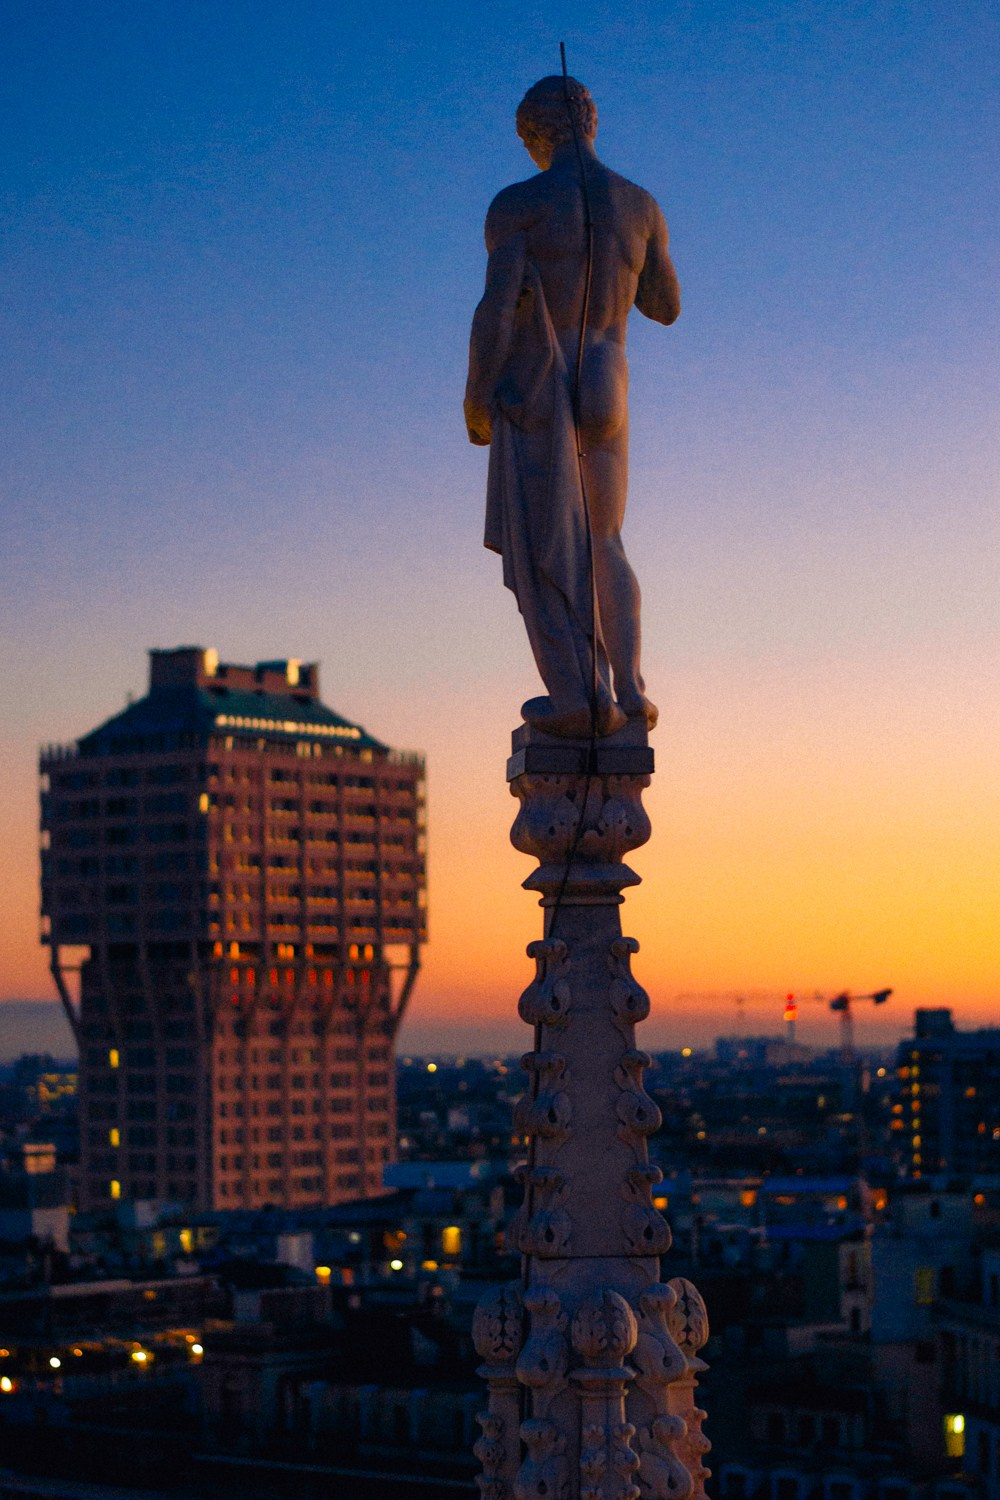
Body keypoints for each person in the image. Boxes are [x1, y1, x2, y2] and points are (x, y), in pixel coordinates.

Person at [465, 75, 681, 739]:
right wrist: (615, 256)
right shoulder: (639, 203)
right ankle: (630, 687)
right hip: (605, 375)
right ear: (591, 121)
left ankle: (576, 695)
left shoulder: (520, 205)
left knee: (545, 546)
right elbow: (665, 306)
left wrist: (476, 397)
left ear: (535, 134)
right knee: (605, 540)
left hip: (542, 384)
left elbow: (498, 308)